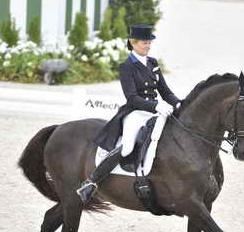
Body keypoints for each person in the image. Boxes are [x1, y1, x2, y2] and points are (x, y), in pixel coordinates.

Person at [77, 23, 181, 204]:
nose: (147, 46)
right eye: (144, 43)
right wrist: (155, 106)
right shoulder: (127, 66)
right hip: (135, 112)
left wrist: (180, 104)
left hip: (155, 112)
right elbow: (132, 97)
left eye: (149, 43)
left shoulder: (153, 63)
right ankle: (91, 182)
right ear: (133, 43)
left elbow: (165, 91)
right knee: (127, 147)